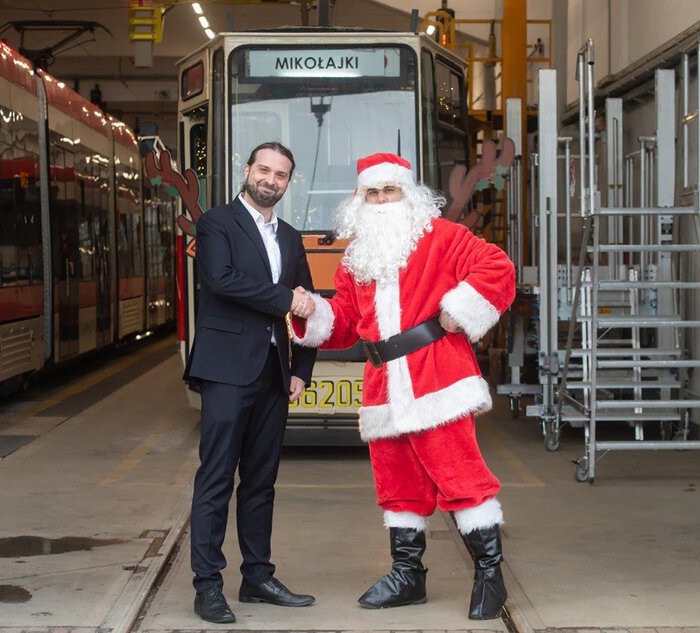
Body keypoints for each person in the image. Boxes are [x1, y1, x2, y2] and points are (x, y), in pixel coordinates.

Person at [291, 153, 516, 620]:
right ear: (361, 199)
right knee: (397, 484)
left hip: (438, 378)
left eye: (389, 190)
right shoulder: (357, 258)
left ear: (407, 193)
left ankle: (490, 576)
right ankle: (407, 575)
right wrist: (314, 313)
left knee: (459, 475)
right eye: (372, 193)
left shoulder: (444, 237)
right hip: (382, 386)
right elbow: (347, 322)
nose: (380, 200)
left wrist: (459, 310)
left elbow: (497, 268)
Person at [183, 141, 318, 624]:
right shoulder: (216, 223)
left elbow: (307, 303)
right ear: (247, 170)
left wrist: (301, 369)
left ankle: (258, 577)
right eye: (264, 170)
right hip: (226, 369)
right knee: (217, 477)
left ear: (287, 183)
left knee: (261, 481)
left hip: (273, 372)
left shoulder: (291, 237)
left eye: (281, 175)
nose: (270, 180)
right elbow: (222, 280)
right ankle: (207, 586)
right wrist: (285, 299)